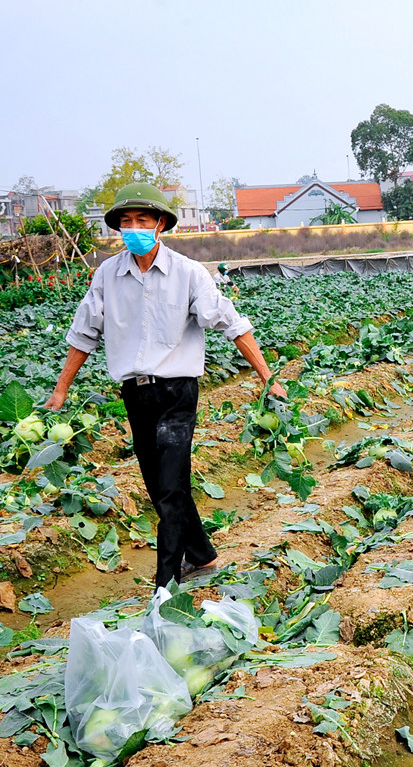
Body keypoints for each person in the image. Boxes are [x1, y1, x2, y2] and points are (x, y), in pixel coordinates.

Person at [46, 183, 284, 588]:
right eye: (126, 222)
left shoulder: (189, 273)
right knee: (159, 487)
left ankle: (166, 584)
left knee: (172, 487)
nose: (133, 228)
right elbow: (84, 333)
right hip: (136, 394)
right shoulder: (107, 274)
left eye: (142, 220)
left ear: (160, 224)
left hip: (177, 392)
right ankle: (204, 556)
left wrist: (268, 378)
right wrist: (60, 390)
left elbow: (232, 323)